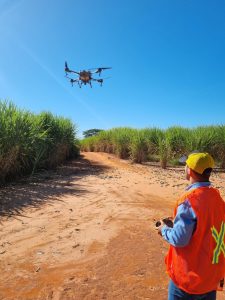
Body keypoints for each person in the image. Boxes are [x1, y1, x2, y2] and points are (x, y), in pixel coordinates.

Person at [157, 152, 225, 300]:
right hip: (211, 277)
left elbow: (180, 239)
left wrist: (164, 230)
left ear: (189, 170)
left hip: (189, 279)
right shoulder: (217, 198)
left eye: (186, 165)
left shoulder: (189, 201)